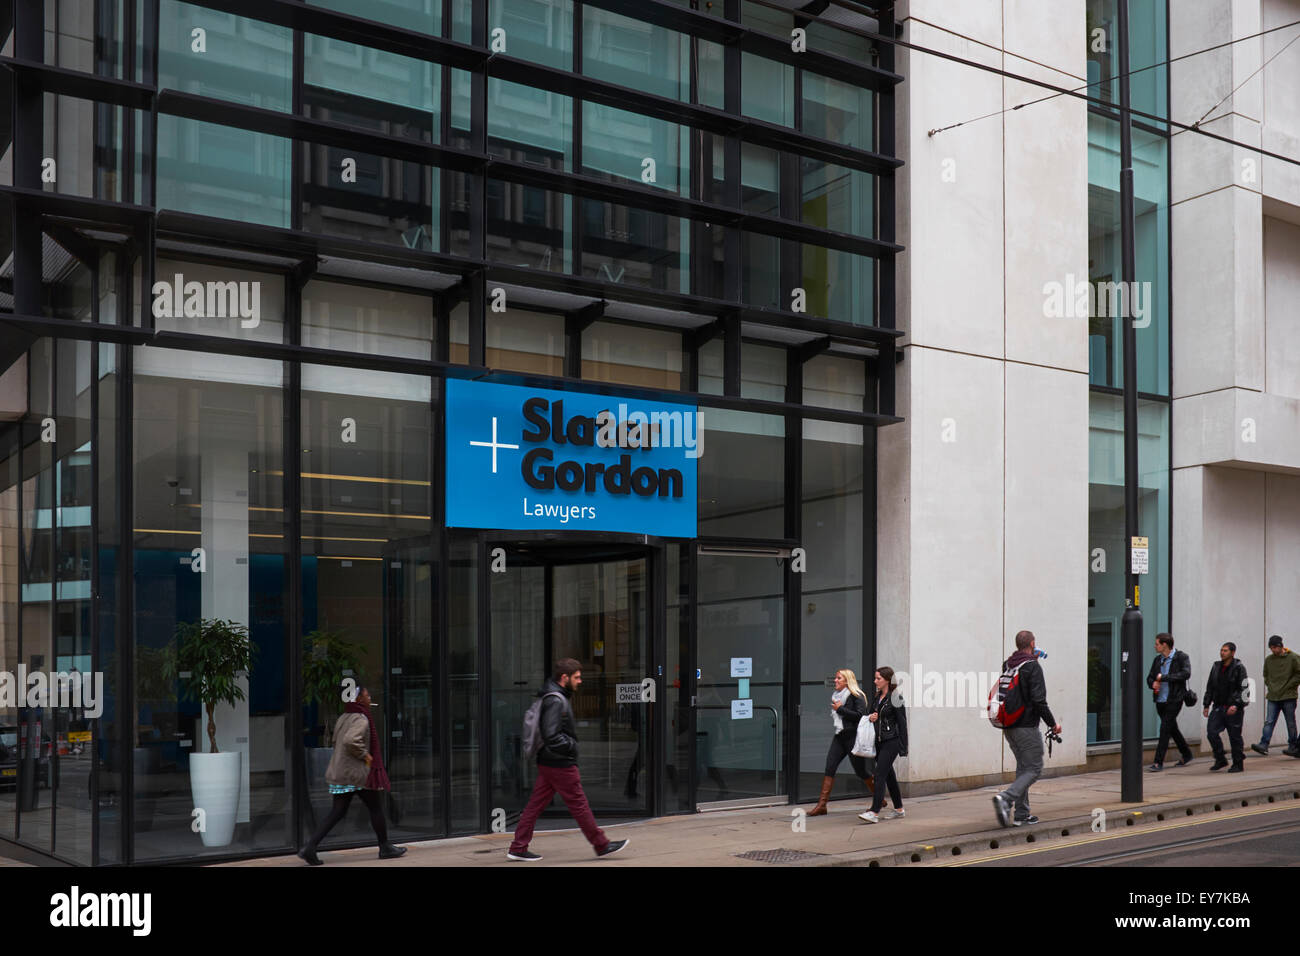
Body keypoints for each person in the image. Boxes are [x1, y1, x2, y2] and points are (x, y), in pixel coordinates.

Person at [507, 659, 628, 861]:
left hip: (549, 762)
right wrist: (572, 746)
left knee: (535, 806)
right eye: (577, 677)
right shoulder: (555, 700)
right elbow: (551, 734)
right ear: (565, 678)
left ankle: (518, 847)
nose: (580, 681)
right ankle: (601, 844)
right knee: (579, 804)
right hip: (559, 763)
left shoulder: (555, 696)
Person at [299, 685, 406, 865]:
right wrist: (366, 755)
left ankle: (310, 847)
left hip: (342, 772)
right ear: (359, 700)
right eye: (367, 695)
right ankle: (385, 847)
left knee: (338, 812)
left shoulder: (344, 716)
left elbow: (336, 740)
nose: (370, 697)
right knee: (376, 808)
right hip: (355, 774)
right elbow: (351, 741)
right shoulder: (361, 719)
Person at [992, 630, 1061, 828]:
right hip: (1026, 726)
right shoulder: (1032, 666)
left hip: (1009, 726)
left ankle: (1022, 814)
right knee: (1034, 768)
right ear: (1032, 643)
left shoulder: (1008, 664)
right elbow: (1038, 700)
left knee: (1023, 768)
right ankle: (1006, 798)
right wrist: (1052, 724)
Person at [808, 669, 874, 816]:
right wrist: (839, 708)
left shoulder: (857, 696)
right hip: (840, 736)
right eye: (836, 678)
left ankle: (879, 799)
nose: (836, 680)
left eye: (839, 678)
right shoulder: (836, 696)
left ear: (847, 681)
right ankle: (822, 805)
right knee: (830, 767)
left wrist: (840, 709)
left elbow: (860, 716)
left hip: (852, 737)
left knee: (861, 771)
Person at [857, 667, 907, 824]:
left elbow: (902, 723)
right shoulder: (878, 696)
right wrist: (872, 717)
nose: (875, 681)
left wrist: (903, 747)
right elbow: (872, 714)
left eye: (878, 678)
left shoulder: (896, 698)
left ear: (887, 680)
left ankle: (874, 811)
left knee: (879, 774)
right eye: (875, 678)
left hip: (891, 741)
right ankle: (899, 809)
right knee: (889, 776)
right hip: (879, 741)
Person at [1145, 633, 1193, 771]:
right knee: (1172, 728)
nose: (1155, 646)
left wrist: (1164, 677)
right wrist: (1153, 683)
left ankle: (1158, 762)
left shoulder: (1181, 657)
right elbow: (1150, 677)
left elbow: (1185, 674)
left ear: (1164, 645)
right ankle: (1187, 753)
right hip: (1160, 700)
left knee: (1165, 729)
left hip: (1175, 699)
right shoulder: (1157, 660)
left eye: (1157, 644)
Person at [1203, 642, 1249, 772]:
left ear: (1233, 653)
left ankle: (1238, 763)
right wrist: (1206, 704)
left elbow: (1245, 690)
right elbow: (1210, 687)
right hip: (1218, 706)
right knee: (1211, 733)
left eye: (1225, 651)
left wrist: (1237, 704)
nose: (1222, 653)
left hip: (1233, 708)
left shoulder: (1239, 668)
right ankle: (1220, 758)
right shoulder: (1216, 666)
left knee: (1234, 736)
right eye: (1221, 650)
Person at [1252, 636, 1300, 757]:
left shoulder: (1293, 657)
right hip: (1273, 695)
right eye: (1271, 648)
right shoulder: (1269, 660)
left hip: (1289, 696)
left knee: (1290, 722)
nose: (1272, 650)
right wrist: (1270, 685)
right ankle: (1264, 744)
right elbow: (1266, 674)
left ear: (1280, 646)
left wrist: (1290, 685)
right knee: (1269, 721)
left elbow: (1298, 673)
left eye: (1274, 647)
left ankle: (1293, 745)